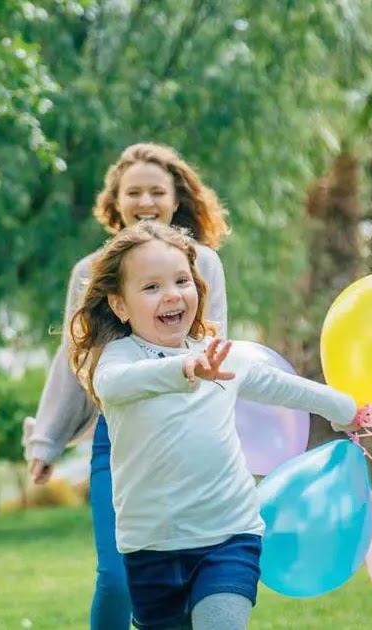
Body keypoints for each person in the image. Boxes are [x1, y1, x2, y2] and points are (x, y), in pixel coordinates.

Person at [69, 220, 364, 630]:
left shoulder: (220, 355)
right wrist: (183, 369)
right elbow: (114, 385)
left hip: (230, 534)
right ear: (119, 305)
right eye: (151, 287)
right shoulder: (120, 358)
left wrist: (347, 409)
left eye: (181, 281)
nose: (172, 294)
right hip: (150, 546)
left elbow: (283, 387)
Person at [23, 143, 230, 630]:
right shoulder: (90, 271)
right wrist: (46, 440)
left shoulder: (202, 263)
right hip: (117, 442)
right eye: (133, 192)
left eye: (157, 191)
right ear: (115, 202)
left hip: (186, 436)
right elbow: (75, 359)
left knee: (182, 577)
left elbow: (213, 343)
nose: (146, 201)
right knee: (117, 579)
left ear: (176, 199)